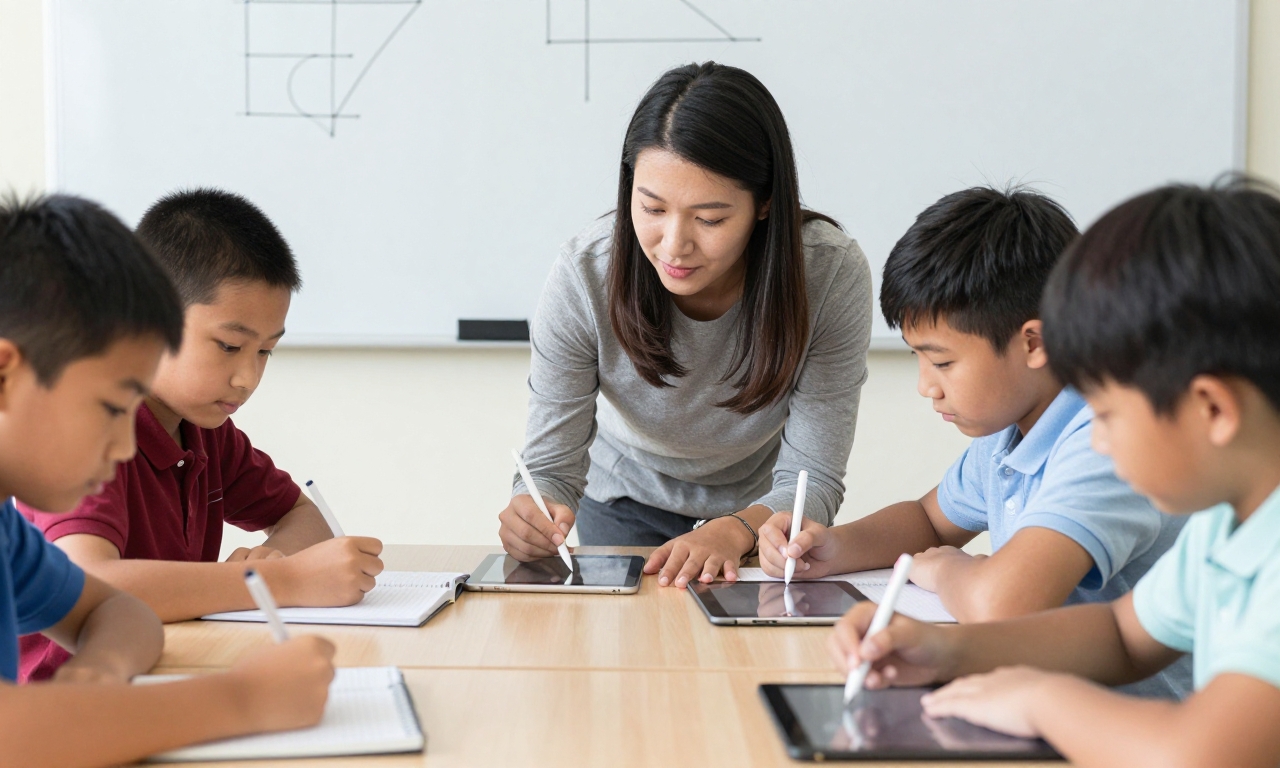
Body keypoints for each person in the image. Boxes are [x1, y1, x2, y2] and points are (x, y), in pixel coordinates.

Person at [829, 179, 1280, 766]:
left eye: (1110, 413)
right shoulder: (1228, 521)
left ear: (1213, 409)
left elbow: (1197, 751)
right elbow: (1122, 636)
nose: (1095, 436)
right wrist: (943, 648)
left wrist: (1041, 698)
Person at [499, 62, 873, 589]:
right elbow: (550, 469)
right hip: (624, 498)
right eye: (652, 208)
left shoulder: (828, 274)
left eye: (710, 219)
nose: (674, 245)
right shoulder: (586, 274)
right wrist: (533, 512)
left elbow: (814, 478)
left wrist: (735, 530)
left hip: (761, 514)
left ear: (765, 203)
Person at [0, 194, 333, 766]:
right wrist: (243, 699)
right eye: (110, 407)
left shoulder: (8, 533)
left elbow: (115, 612)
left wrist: (97, 673)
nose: (129, 443)